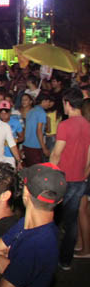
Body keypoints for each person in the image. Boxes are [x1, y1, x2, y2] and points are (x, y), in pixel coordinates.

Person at [48, 87, 90, 269]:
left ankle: (48, 257)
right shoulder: (88, 125)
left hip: (61, 178)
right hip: (79, 179)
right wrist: (85, 173)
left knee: (51, 218)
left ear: (67, 103)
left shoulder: (65, 125)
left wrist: (50, 171)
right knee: (71, 221)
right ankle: (65, 261)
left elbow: (57, 154)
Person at [21, 93, 49, 166]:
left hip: (26, 144)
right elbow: (39, 131)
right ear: (44, 101)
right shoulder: (41, 112)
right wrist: (44, 147)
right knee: (37, 170)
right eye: (48, 102)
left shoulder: (31, 111)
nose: (49, 104)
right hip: (35, 145)